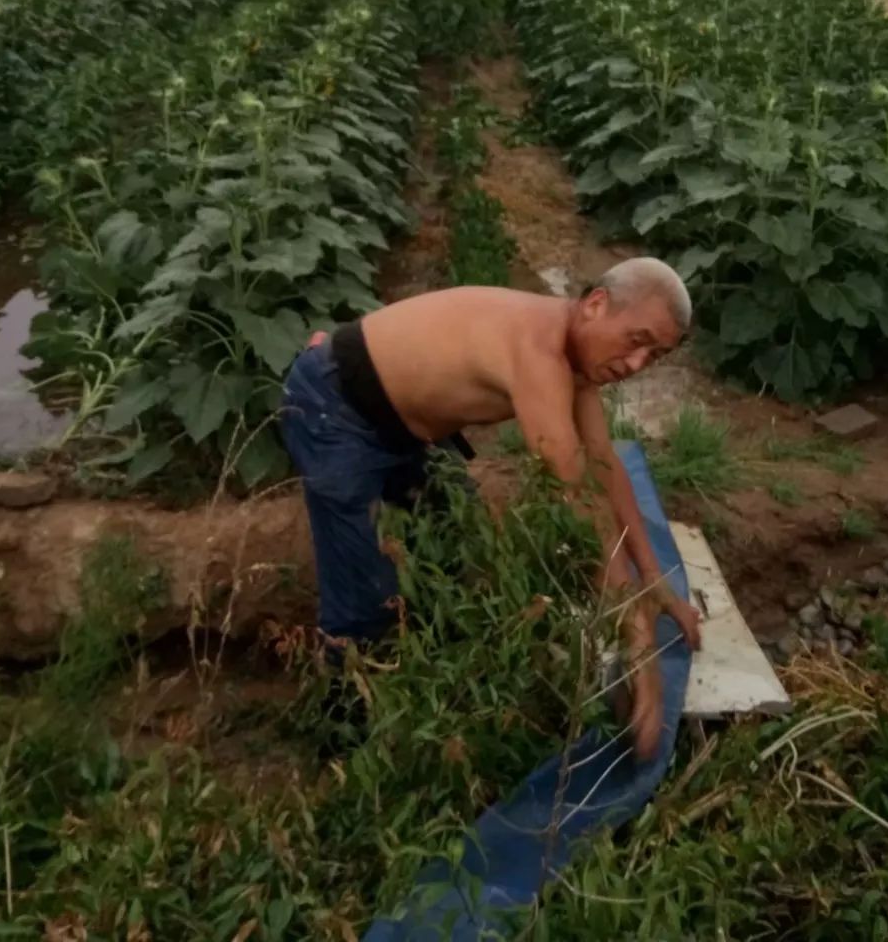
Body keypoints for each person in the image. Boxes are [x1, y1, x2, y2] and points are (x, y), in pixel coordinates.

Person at [280, 256, 702, 759]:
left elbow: (605, 467)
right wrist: (637, 640)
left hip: (405, 431)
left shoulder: (578, 363)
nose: (635, 366)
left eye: (654, 356)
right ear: (595, 304)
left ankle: (432, 689)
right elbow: (577, 496)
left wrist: (654, 583)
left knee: (458, 552)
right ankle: (345, 745)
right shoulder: (536, 349)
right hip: (335, 406)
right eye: (636, 340)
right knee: (366, 599)